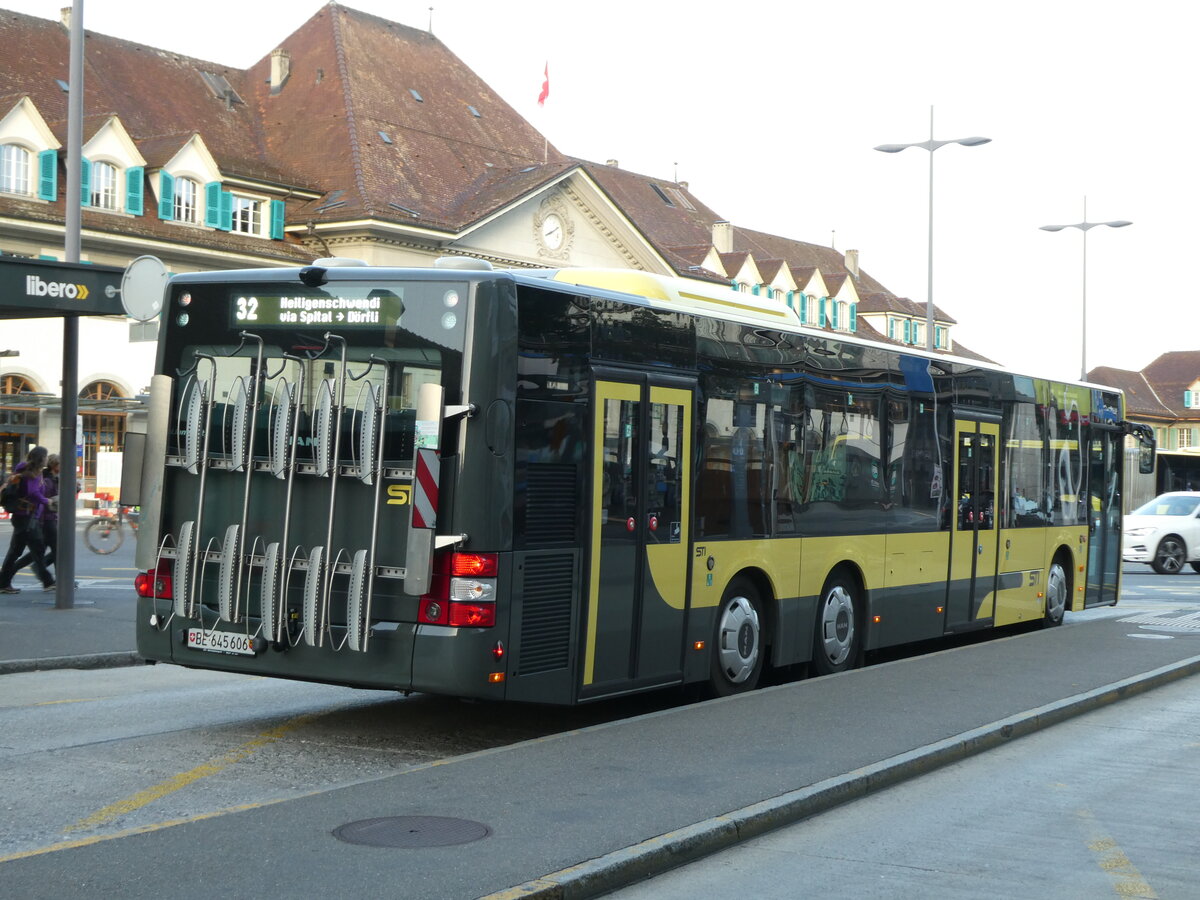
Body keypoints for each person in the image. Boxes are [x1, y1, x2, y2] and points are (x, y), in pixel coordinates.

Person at [0, 446, 55, 593]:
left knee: (15, 552)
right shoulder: (32, 473)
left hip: (23, 516)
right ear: (40, 458)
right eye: (45, 456)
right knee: (37, 549)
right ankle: (48, 581)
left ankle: (3, 583)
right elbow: (33, 492)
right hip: (26, 517)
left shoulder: (24, 469)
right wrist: (46, 501)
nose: (47, 459)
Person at [13, 453, 59, 574]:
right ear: (55, 465)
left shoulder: (52, 477)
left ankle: (9, 572)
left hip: (44, 518)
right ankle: (58, 579)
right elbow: (39, 496)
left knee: (37, 551)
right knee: (54, 550)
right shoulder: (45, 478)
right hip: (44, 519)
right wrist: (48, 502)